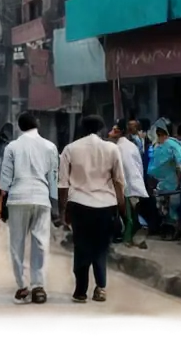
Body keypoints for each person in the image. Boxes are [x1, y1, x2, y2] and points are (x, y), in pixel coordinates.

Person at [58, 115, 126, 303]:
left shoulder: (70, 149)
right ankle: (101, 287)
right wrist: (122, 208)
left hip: (79, 205)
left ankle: (81, 289)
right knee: (101, 248)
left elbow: (63, 184)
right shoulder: (112, 148)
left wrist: (63, 211)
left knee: (81, 247)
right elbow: (119, 181)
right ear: (102, 130)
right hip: (106, 205)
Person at [0, 112, 58, 304]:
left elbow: (5, 178)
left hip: (18, 198)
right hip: (42, 197)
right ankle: (38, 286)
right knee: (41, 242)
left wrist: (0, 205)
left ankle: (23, 285)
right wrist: (56, 205)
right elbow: (54, 179)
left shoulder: (12, 147)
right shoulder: (50, 146)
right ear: (38, 124)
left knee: (17, 243)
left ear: (19, 126)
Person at [110, 119, 149, 246]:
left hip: (127, 187)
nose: (110, 133)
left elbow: (125, 169)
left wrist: (120, 187)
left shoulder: (121, 148)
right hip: (133, 184)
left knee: (129, 216)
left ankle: (128, 241)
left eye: (114, 130)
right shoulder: (129, 145)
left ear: (119, 132)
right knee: (130, 214)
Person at [147, 119, 181, 237]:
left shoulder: (172, 145)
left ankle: (173, 230)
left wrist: (179, 182)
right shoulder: (158, 145)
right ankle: (166, 228)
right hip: (161, 185)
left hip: (172, 185)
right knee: (163, 209)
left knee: (171, 210)